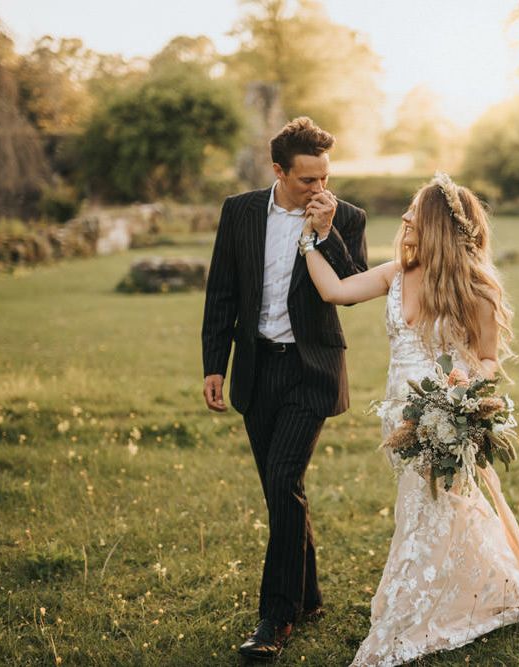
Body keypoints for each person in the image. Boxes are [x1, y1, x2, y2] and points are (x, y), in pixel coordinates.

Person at [301, 173, 519, 666]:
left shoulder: (477, 289)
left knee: (436, 506)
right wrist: (310, 241)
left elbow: (487, 358)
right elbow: (336, 291)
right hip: (399, 417)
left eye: (413, 214)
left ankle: (422, 598)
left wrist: (461, 388)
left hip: (445, 414)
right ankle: (461, 581)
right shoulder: (395, 275)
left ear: (436, 227)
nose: (404, 219)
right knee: (426, 505)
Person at [201, 117, 368, 660]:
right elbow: (222, 290)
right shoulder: (241, 212)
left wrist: (325, 232)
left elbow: (354, 286)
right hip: (256, 369)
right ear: (278, 171)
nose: (320, 190)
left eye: (325, 178)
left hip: (310, 368)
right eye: (306, 181)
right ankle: (310, 595)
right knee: (283, 491)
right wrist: (214, 365)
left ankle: (275, 617)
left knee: (283, 478)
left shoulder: (346, 217)